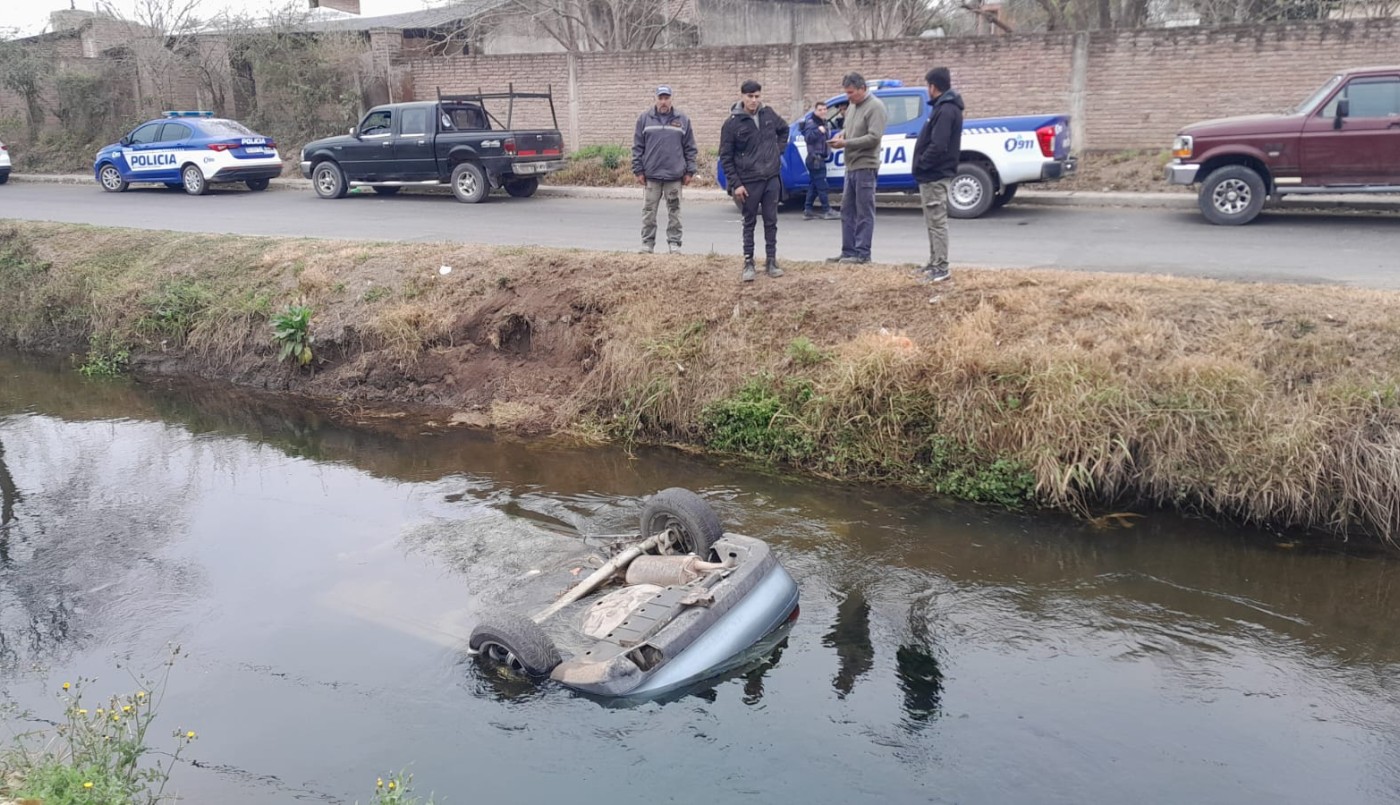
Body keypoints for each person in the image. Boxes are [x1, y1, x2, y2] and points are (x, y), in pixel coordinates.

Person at [718, 79, 789, 282]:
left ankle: (771, 261)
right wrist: (736, 184)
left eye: (757, 96)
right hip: (748, 182)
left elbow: (784, 129)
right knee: (749, 222)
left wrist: (777, 151)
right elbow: (726, 157)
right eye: (750, 96)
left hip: (771, 178)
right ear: (742, 96)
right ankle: (749, 262)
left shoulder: (768, 114)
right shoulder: (732, 123)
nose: (754, 101)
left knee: (771, 221)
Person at [826, 72, 887, 265]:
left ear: (862, 89)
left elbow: (874, 137)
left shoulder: (875, 107)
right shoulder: (852, 106)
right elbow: (849, 128)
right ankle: (848, 251)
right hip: (850, 166)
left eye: (851, 92)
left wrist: (846, 143)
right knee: (847, 210)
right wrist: (841, 135)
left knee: (864, 211)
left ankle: (862, 253)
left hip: (865, 165)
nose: (848, 96)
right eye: (846, 93)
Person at [631, 85, 698, 254]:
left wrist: (690, 171)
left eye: (666, 98)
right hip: (651, 176)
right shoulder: (644, 119)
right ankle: (647, 244)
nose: (663, 101)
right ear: (655, 99)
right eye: (660, 98)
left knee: (675, 212)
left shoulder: (682, 119)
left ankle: (674, 244)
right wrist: (638, 170)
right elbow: (638, 147)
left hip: (674, 177)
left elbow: (690, 147)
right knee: (648, 212)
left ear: (671, 99)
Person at [912, 67, 963, 284]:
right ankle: (934, 262)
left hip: (935, 174)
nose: (928, 90)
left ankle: (941, 268)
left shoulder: (946, 110)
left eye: (928, 85)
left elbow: (938, 145)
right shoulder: (943, 108)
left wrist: (923, 164)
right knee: (932, 222)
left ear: (933, 86)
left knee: (937, 221)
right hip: (931, 175)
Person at [800, 101, 837, 220]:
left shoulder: (822, 122)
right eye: (820, 110)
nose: (823, 111)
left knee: (814, 186)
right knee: (822, 186)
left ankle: (808, 210)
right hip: (815, 159)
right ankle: (827, 210)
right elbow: (807, 138)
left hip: (817, 159)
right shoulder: (812, 123)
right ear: (815, 111)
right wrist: (818, 131)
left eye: (825, 109)